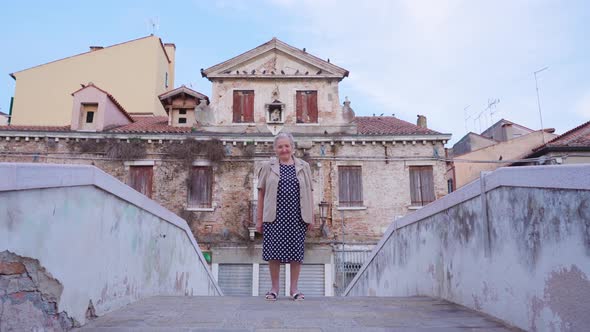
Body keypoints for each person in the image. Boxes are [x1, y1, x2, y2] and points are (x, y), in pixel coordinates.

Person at [256, 132, 314, 301]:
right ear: (275, 149)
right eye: (280, 146)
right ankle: (274, 289)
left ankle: (294, 289)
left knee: (296, 253)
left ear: (292, 147)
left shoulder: (304, 166)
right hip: (274, 217)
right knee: (274, 254)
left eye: (287, 146)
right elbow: (261, 193)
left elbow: (310, 192)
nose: (284, 149)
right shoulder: (268, 167)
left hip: (297, 216)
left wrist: (311, 216)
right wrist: (259, 219)